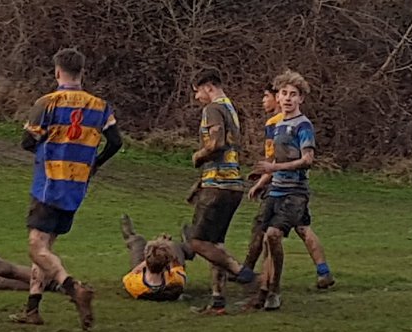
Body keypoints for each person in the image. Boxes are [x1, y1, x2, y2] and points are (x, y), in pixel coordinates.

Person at [13, 48, 123, 330]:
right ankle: (32, 309)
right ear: (82, 73)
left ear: (57, 72)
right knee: (47, 246)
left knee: (36, 247)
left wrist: (48, 148)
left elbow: (27, 141)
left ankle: (72, 287)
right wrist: (95, 163)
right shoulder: (100, 106)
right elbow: (116, 142)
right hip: (76, 187)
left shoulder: (47, 103)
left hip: (49, 183)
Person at [243, 82, 335, 291]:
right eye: (284, 93)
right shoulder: (278, 124)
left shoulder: (303, 126)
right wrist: (263, 179)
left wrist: (272, 168)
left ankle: (260, 280)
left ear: (300, 99)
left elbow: (307, 159)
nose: (287, 98)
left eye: (293, 95)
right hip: (277, 188)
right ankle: (323, 272)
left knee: (271, 235)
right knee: (301, 229)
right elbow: (275, 158)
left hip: (294, 192)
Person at [187, 68, 256, 315]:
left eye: (198, 91)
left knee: (197, 242)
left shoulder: (213, 109)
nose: (197, 98)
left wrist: (198, 156)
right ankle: (218, 300)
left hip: (218, 184)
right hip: (234, 184)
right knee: (215, 243)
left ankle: (242, 272)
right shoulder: (231, 109)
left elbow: (216, 144)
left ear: (209, 87)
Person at [120, 215, 192, 301]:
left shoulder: (135, 284)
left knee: (138, 242)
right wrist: (166, 246)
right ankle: (189, 244)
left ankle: (130, 236)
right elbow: (176, 265)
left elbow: (132, 273)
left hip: (143, 271)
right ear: (166, 265)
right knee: (173, 245)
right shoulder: (176, 281)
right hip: (160, 266)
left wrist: (151, 256)